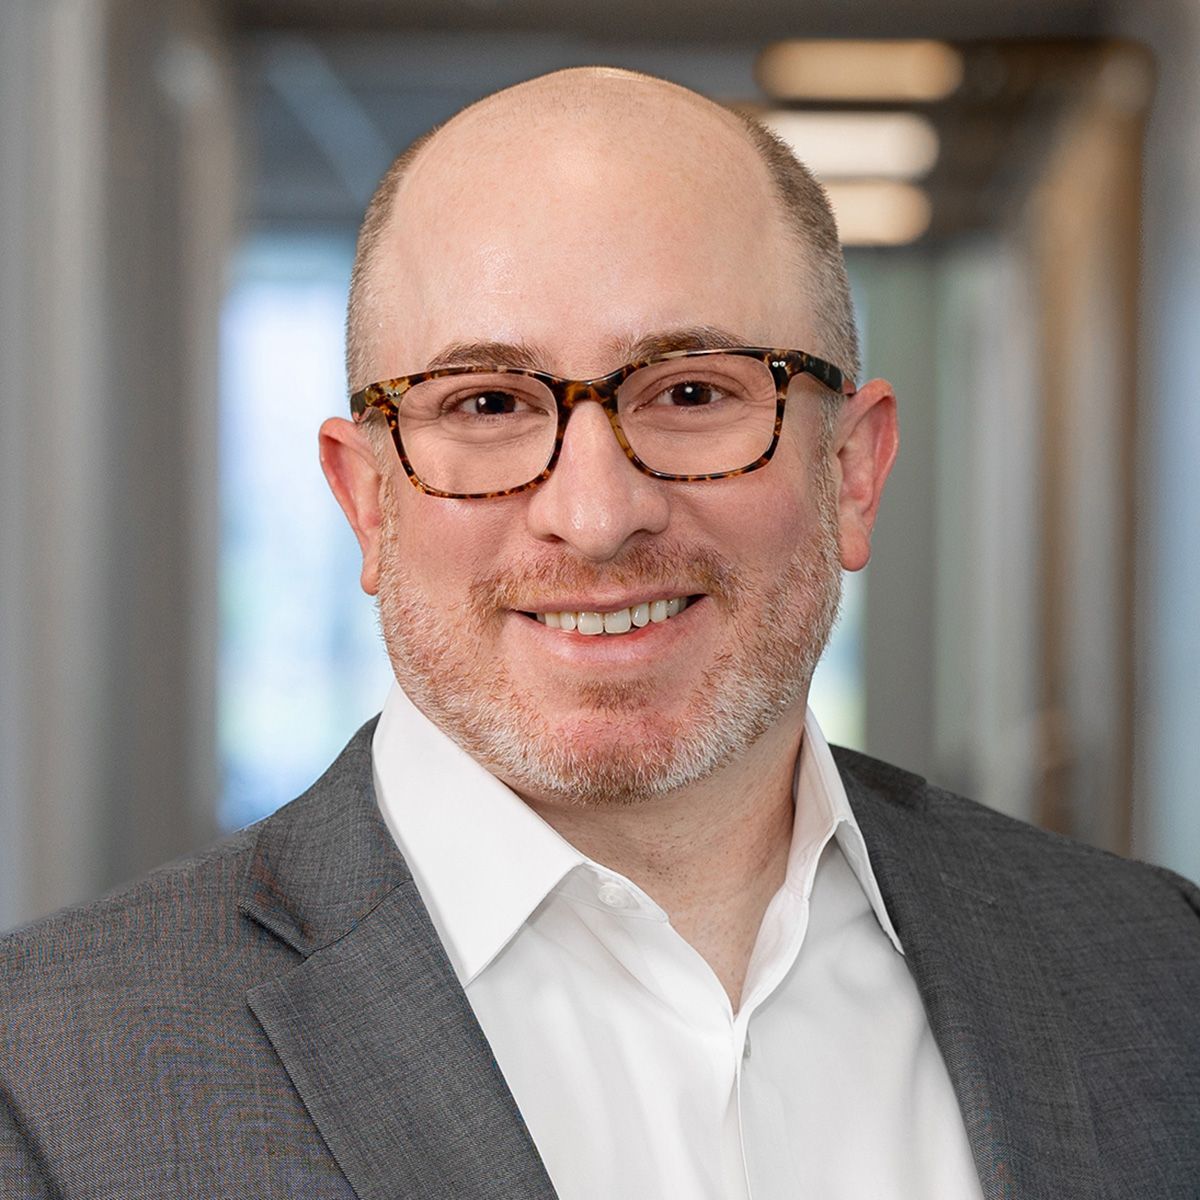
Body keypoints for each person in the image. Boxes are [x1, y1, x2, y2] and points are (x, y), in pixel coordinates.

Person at [1, 66, 1198, 1200]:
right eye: (486, 403)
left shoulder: (1157, 970)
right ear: (367, 501)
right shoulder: (49, 1076)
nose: (596, 514)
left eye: (690, 393)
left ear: (854, 470)